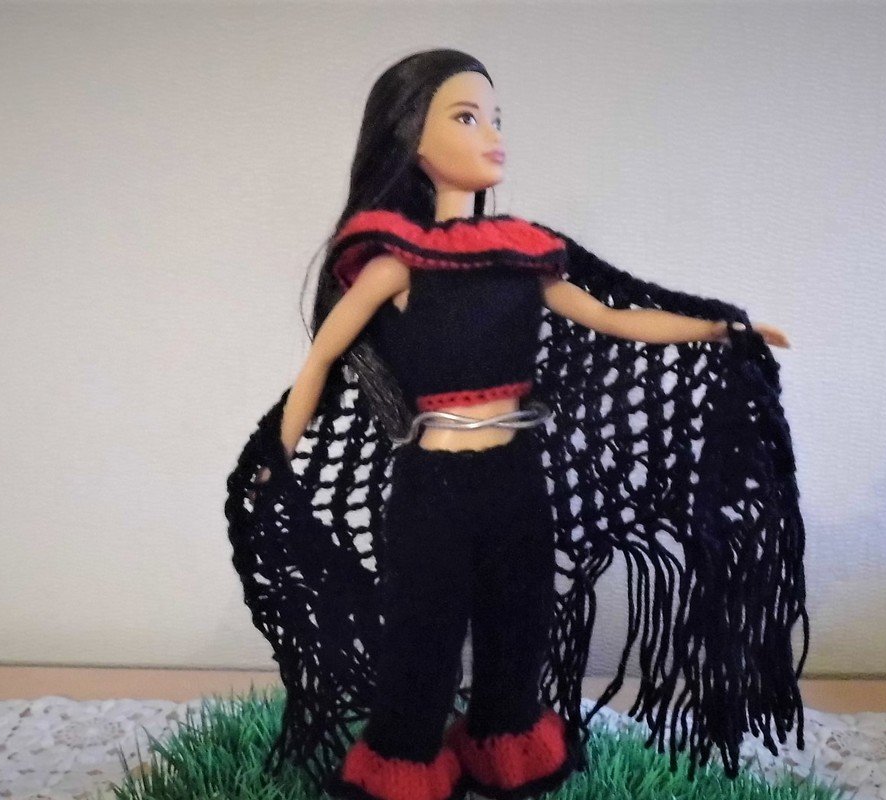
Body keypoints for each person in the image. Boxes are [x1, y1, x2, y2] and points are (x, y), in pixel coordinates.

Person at [228, 49, 807, 800]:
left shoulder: (523, 256)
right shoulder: (396, 263)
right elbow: (321, 360)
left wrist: (722, 329)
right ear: (411, 138)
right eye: (468, 118)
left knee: (520, 621)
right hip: (433, 482)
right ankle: (405, 755)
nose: (494, 135)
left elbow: (611, 318)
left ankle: (504, 738)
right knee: (425, 634)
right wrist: (277, 456)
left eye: (496, 118)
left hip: (516, 475)